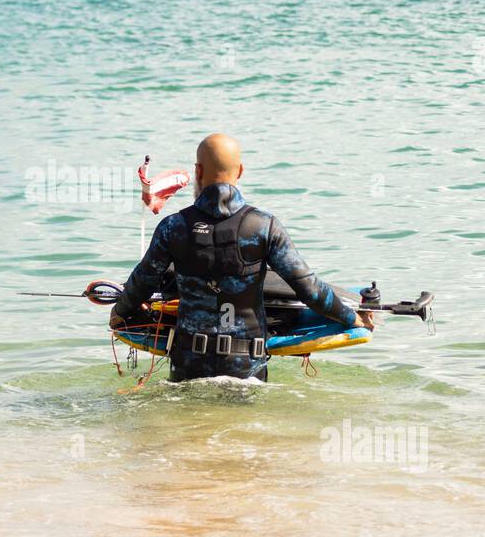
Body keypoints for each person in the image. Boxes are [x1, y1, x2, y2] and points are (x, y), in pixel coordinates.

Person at [109, 133, 373, 381]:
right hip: (246, 368)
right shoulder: (263, 226)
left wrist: (119, 312)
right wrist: (353, 318)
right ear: (241, 171)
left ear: (198, 171)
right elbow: (309, 289)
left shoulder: (173, 227)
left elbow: (142, 283)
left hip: (189, 366)